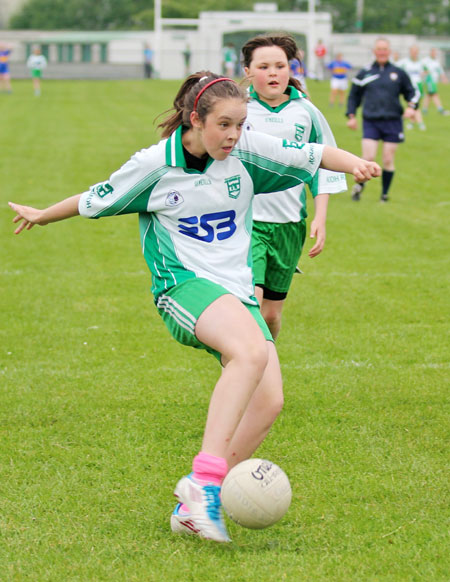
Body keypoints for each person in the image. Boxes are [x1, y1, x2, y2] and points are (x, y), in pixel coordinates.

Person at [9, 72, 380, 543]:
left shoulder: (244, 151)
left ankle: (191, 509)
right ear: (195, 118)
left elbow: (309, 155)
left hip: (236, 293)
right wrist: (42, 214)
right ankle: (204, 481)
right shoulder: (154, 166)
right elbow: (93, 198)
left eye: (241, 125)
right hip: (183, 287)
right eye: (223, 124)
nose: (233, 135)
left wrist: (356, 163)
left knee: (269, 402)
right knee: (250, 354)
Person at [241, 33, 347, 340]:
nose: (273, 73)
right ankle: (249, 372)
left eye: (280, 65)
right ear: (248, 71)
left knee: (271, 315)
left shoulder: (307, 112)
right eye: (263, 66)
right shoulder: (239, 109)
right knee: (251, 305)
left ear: (291, 69)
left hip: (289, 225)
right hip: (248, 223)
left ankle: (263, 362)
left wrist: (320, 218)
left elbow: (322, 164)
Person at [346, 38, 419, 203]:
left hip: (393, 121)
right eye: (379, 49)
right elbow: (353, 96)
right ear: (374, 51)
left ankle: (384, 196)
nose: (382, 52)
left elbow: (412, 93)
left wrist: (411, 107)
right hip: (371, 121)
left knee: (387, 159)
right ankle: (359, 187)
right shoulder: (365, 73)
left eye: (385, 49)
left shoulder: (398, 73)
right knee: (368, 158)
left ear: (390, 51)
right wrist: (351, 116)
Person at [397, 45, 427, 130]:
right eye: (413, 52)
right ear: (410, 52)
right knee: (412, 105)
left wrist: (422, 75)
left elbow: (426, 70)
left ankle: (418, 123)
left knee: (414, 105)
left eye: (416, 52)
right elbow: (397, 69)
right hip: (408, 87)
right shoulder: (405, 62)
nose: (414, 53)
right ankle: (415, 123)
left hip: (418, 86)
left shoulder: (421, 63)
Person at [422, 47, 449, 116]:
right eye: (433, 52)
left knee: (428, 95)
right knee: (434, 94)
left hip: (434, 81)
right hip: (429, 80)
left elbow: (440, 71)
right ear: (431, 53)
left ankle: (424, 110)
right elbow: (423, 69)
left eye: (435, 53)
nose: (434, 54)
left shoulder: (436, 61)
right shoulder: (426, 61)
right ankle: (440, 110)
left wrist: (444, 78)